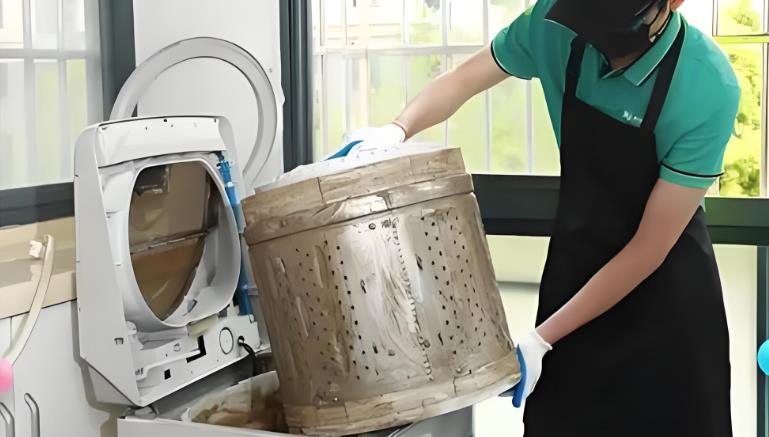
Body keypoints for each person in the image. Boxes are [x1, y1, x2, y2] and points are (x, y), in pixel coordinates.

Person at [336, 0, 740, 435]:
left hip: (666, 298)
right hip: (577, 272)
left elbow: (650, 247)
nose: (600, 41)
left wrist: (542, 338)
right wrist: (396, 130)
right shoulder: (555, 22)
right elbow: (463, 79)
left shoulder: (706, 83)